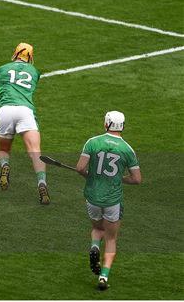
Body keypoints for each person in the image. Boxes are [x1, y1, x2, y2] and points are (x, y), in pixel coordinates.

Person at [75, 111, 141, 290]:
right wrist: (120, 178)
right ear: (123, 126)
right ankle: (103, 276)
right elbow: (136, 179)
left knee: (97, 228)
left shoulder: (93, 142)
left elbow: (80, 168)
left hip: (92, 197)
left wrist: (90, 176)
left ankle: (95, 246)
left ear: (106, 124)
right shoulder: (127, 149)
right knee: (111, 238)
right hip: (113, 201)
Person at [0, 43, 50, 205]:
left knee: (3, 149)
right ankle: (42, 183)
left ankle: (5, 166)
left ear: (15, 53)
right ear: (30, 57)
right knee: (36, 151)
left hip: (6, 111)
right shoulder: (35, 72)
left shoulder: (2, 68)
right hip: (25, 112)